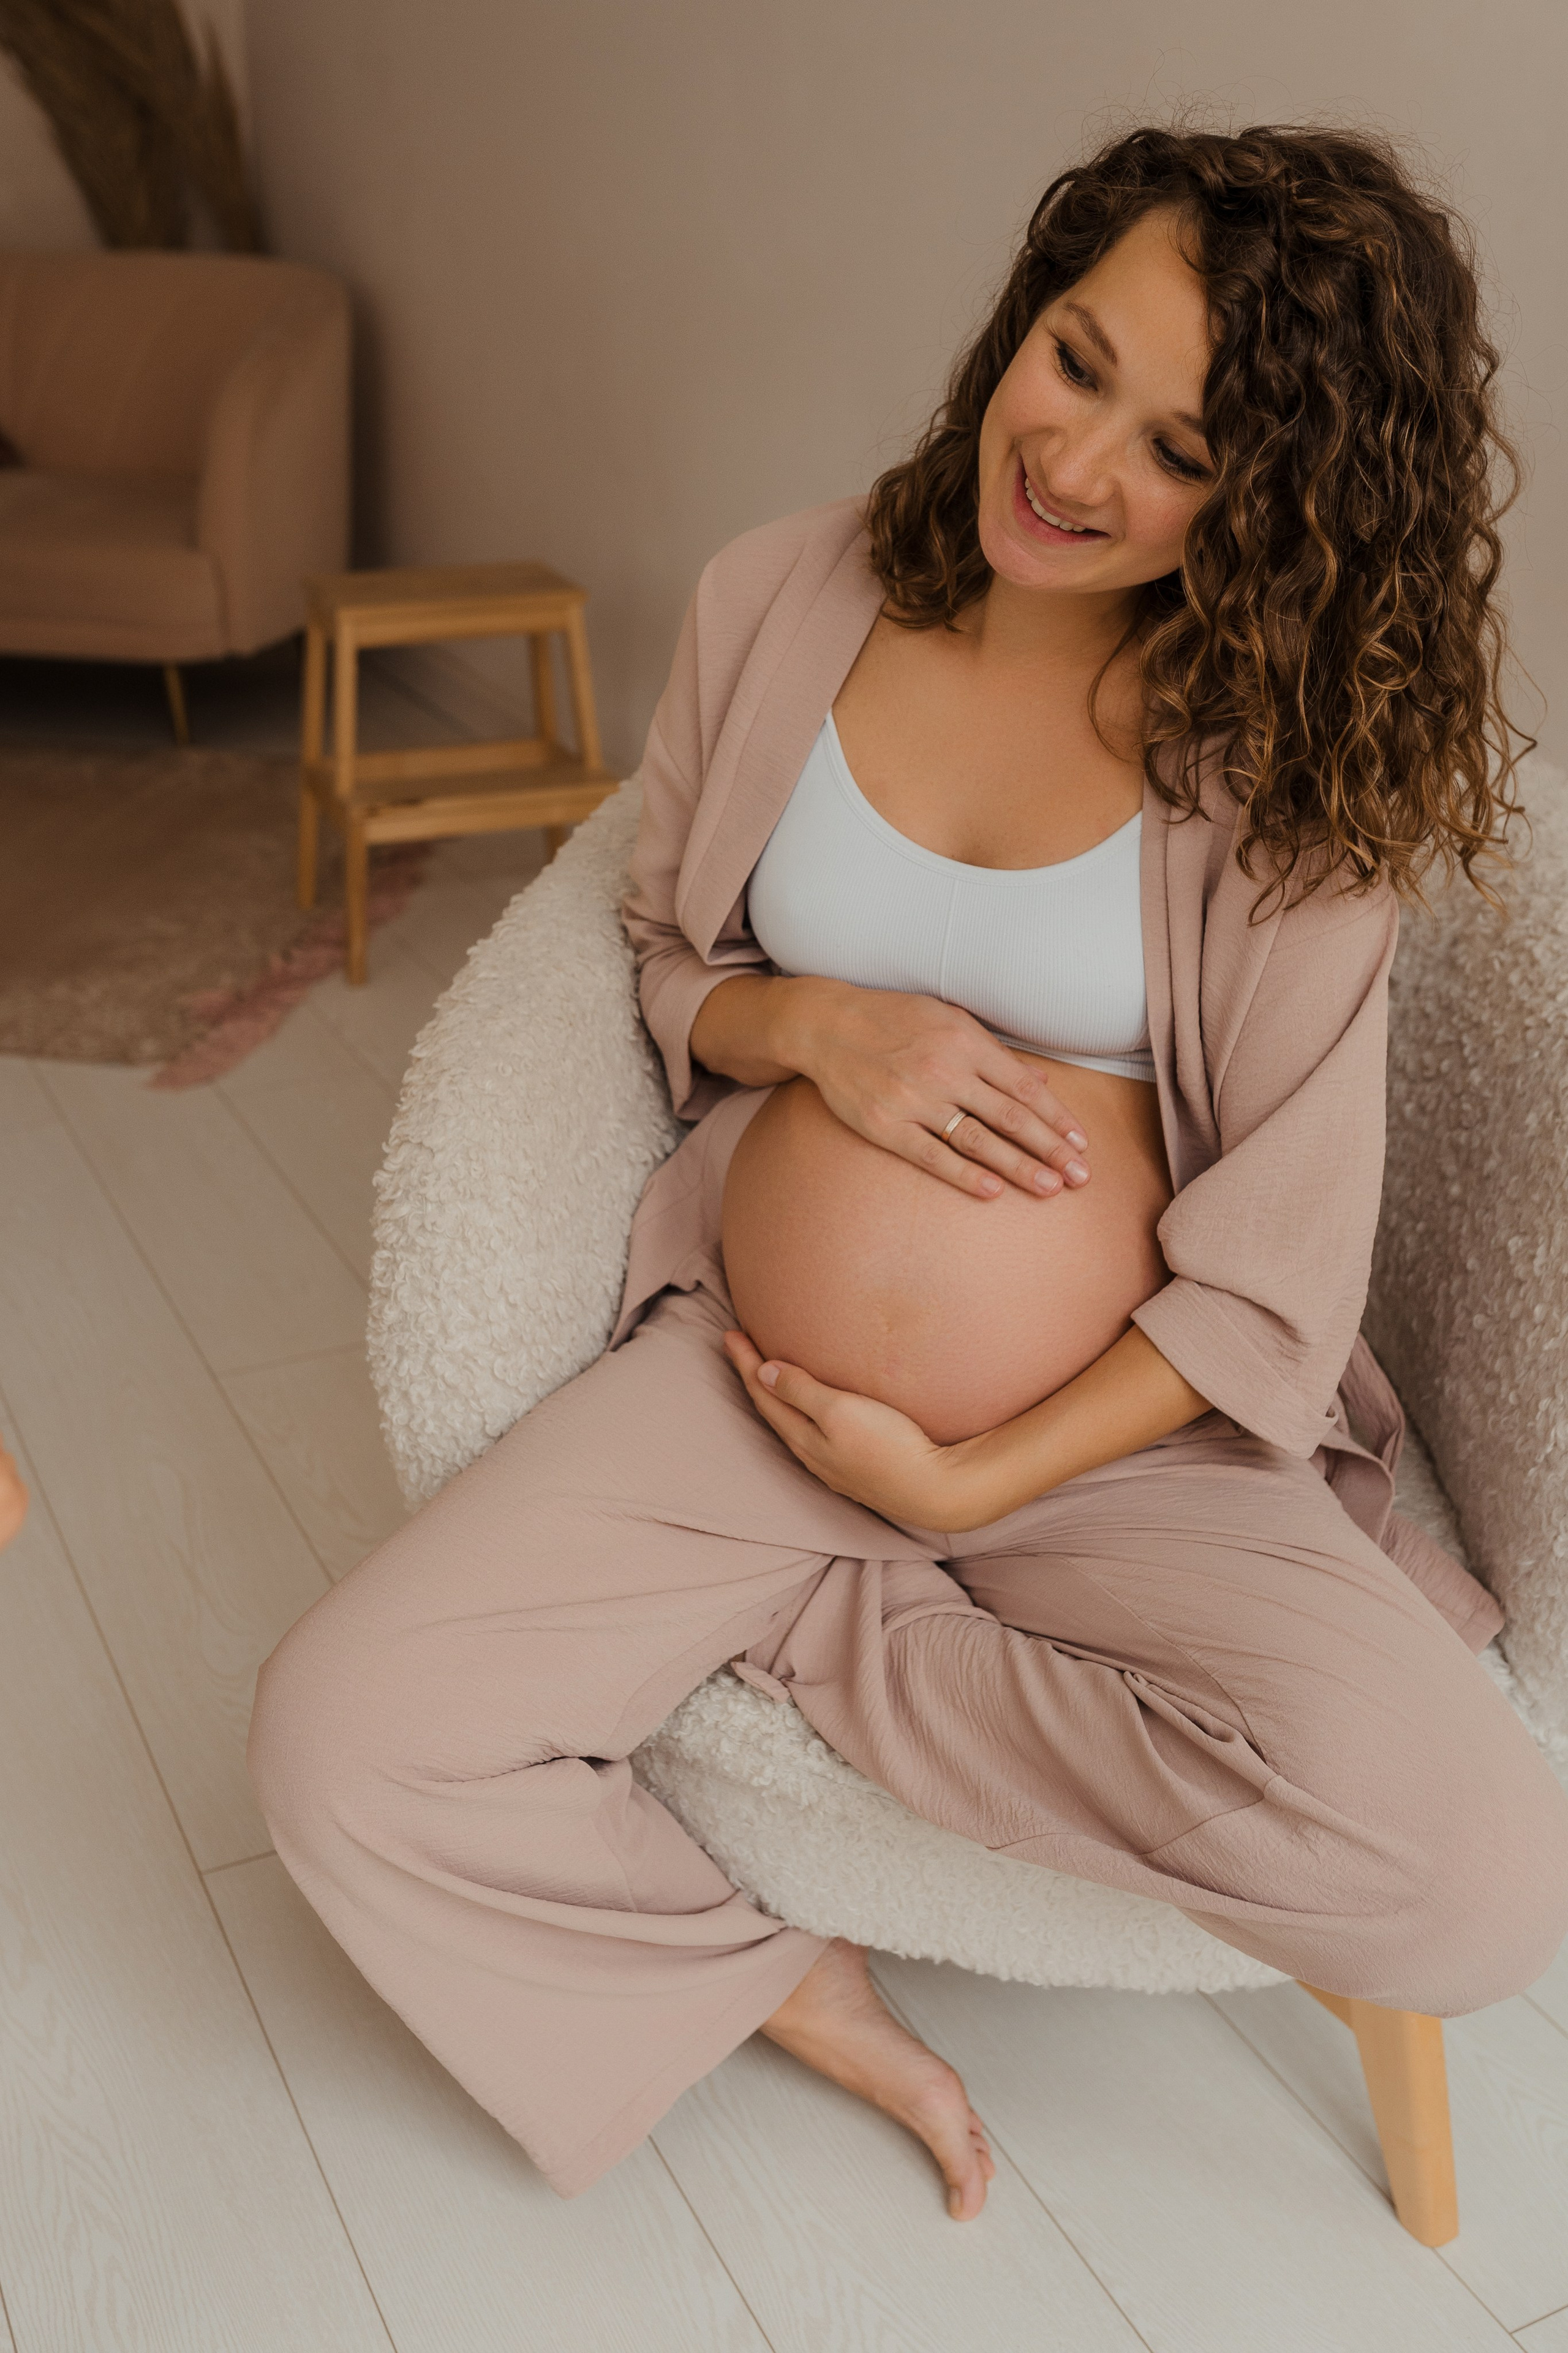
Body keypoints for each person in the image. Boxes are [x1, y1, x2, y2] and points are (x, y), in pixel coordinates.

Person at [249, 123, 1568, 2223]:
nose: (1076, 462)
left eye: (1182, 451)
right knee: (340, 1733)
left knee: (1488, 1878)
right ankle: (767, 1974)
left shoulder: (1291, 774)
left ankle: (835, 1623)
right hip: (752, 1387)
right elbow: (658, 948)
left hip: (1119, 1446)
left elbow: (1277, 1265)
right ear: (1025, 312)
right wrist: (809, 1025)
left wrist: (956, 1487)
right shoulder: (785, 595)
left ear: (1276, 500)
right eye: (1075, 358)